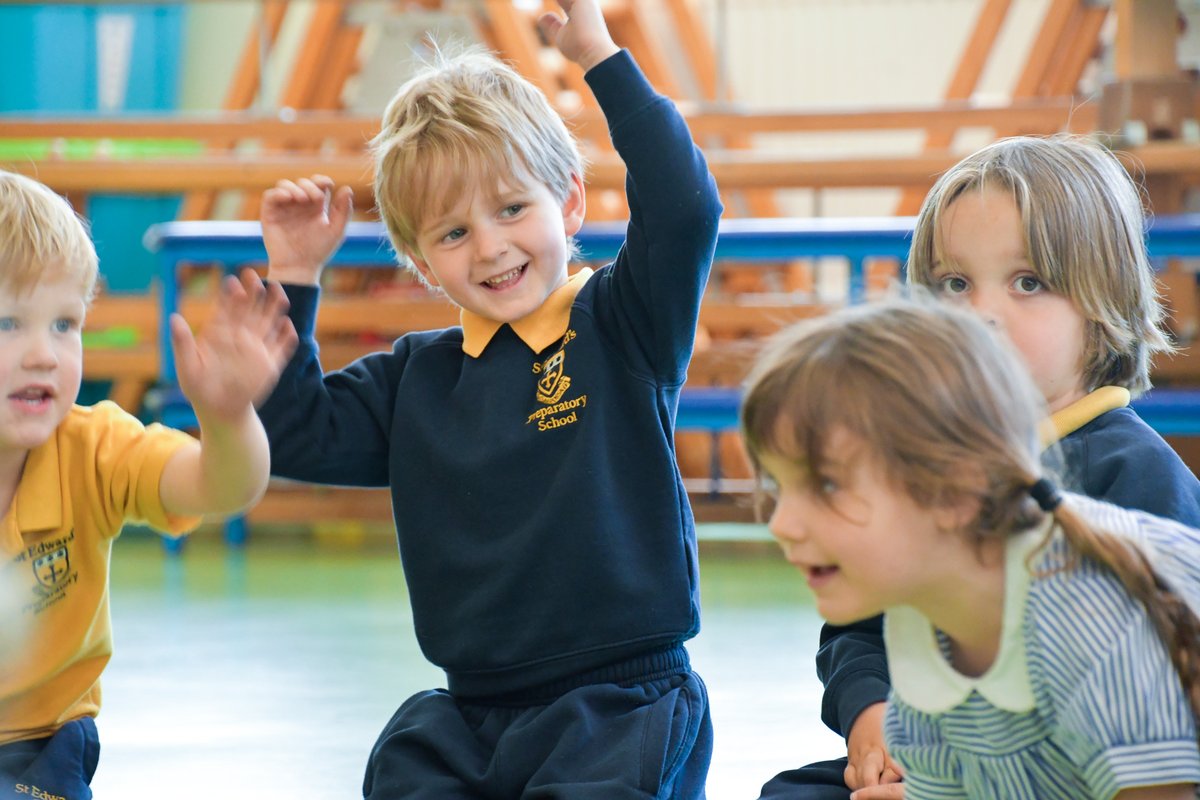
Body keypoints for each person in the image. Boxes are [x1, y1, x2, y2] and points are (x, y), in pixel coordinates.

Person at [246, 0, 721, 795]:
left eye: (511, 208)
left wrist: (598, 56)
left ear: (569, 202)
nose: (492, 246)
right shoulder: (415, 378)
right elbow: (294, 433)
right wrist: (295, 277)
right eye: (453, 233)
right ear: (421, 261)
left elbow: (685, 207)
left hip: (618, 705)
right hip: (467, 718)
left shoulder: (621, 324)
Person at [761, 133, 1200, 800]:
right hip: (957, 754)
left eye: (1028, 283)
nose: (980, 315)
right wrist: (870, 714)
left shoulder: (1137, 478)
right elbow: (865, 621)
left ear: (1103, 304)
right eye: (954, 284)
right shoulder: (920, 462)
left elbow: (1161, 741)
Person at [0, 171, 295, 800]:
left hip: (36, 750)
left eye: (64, 324)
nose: (44, 354)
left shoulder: (95, 449)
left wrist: (227, 418)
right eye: (8, 323)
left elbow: (221, 487)